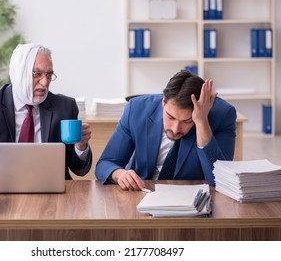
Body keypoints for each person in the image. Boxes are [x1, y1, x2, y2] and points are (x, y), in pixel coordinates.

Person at [0, 43, 92, 181]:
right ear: (19, 72)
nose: (45, 82)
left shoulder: (64, 106)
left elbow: (79, 169)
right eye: (37, 74)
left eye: (49, 75)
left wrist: (81, 146)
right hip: (1, 187)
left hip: (51, 189)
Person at [95, 70, 236, 189]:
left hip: (190, 199)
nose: (175, 129)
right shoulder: (137, 109)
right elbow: (105, 164)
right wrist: (119, 174)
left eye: (187, 121)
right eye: (170, 117)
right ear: (163, 102)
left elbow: (219, 180)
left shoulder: (222, 115)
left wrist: (201, 122)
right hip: (141, 193)